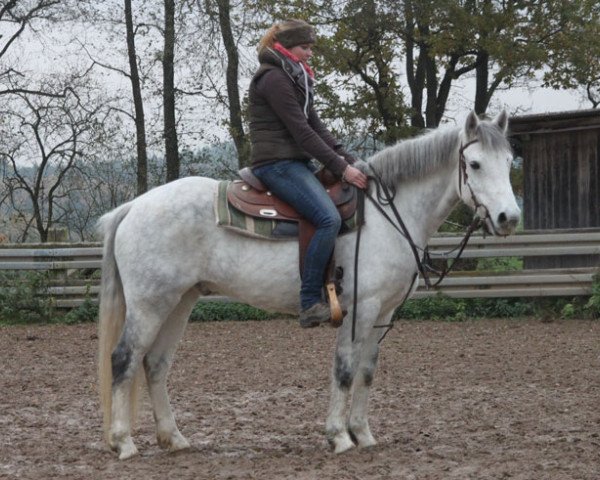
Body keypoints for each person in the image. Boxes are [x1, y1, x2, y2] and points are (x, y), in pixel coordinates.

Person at [248, 19, 368, 328]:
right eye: (305, 47)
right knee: (328, 219)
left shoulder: (294, 78)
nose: (310, 53)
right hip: (276, 163)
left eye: (311, 47)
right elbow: (302, 133)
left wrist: (346, 156)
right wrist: (342, 169)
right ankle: (309, 301)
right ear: (286, 48)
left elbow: (316, 125)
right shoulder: (274, 78)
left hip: (293, 161)